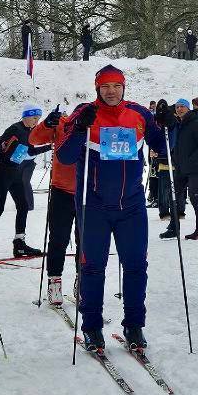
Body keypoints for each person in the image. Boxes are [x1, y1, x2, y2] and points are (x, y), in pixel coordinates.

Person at [55, 64, 165, 351]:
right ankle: (92, 327)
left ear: (124, 87)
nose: (111, 91)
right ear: (97, 89)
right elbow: (65, 156)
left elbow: (161, 146)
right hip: (94, 206)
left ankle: (134, 325)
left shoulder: (138, 113)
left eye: (116, 86)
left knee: (136, 266)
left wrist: (166, 127)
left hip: (131, 205)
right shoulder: (84, 112)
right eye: (105, 86)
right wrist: (80, 128)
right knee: (92, 268)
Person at [0, 106, 50, 260]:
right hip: (2, 172)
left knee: (23, 206)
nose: (37, 121)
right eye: (34, 117)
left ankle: (19, 243)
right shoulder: (15, 128)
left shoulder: (30, 133)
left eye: (38, 118)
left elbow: (30, 152)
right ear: (26, 117)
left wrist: (49, 147)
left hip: (15, 173)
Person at [28, 107, 76, 307]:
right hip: (61, 190)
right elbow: (34, 139)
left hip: (89, 191)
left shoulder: (95, 123)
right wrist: (47, 123)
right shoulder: (61, 124)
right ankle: (54, 281)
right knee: (58, 239)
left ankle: (83, 281)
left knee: (88, 241)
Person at [160, 98, 198, 240]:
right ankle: (174, 228)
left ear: (188, 108)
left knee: (195, 197)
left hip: (195, 168)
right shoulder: (181, 123)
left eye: (182, 107)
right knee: (173, 195)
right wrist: (175, 157)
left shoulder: (196, 122)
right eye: (177, 107)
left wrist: (191, 161)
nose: (179, 109)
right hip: (181, 168)